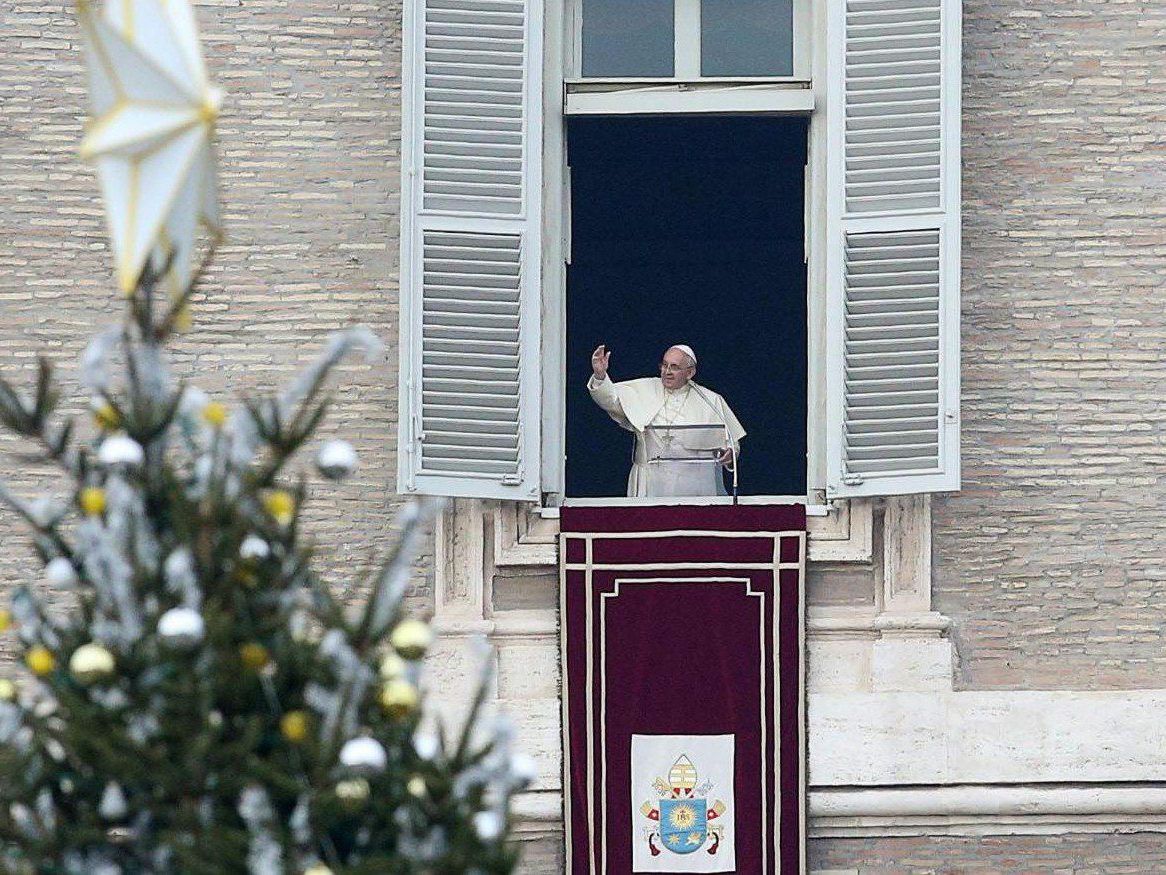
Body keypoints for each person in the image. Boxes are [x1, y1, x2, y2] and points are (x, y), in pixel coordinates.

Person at [587, 343, 746, 498]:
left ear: (690, 372)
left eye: (674, 367)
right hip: (651, 480)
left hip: (696, 484)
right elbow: (611, 401)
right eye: (664, 365)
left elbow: (731, 441)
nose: (667, 371)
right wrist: (600, 376)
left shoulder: (711, 400)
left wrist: (731, 453)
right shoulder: (644, 389)